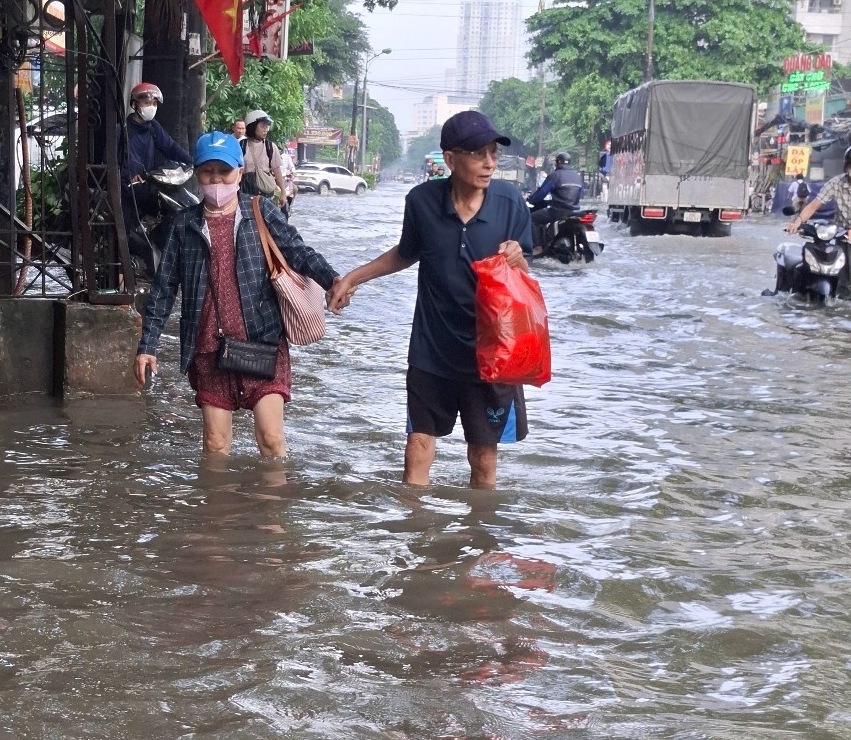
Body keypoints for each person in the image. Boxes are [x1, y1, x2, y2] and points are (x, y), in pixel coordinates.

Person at [328, 110, 535, 490]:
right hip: (431, 351)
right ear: (451, 159)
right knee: (417, 448)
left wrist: (519, 260)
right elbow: (407, 253)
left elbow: (525, 271)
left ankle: (481, 544)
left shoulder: (510, 203)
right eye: (478, 154)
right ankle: (416, 538)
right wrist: (354, 278)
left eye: (493, 153)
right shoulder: (422, 202)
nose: (489, 163)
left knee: (483, 459)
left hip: (489, 357)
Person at [134, 131, 340, 458]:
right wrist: (148, 346)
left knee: (271, 441)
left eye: (223, 171)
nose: (215, 179)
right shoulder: (183, 224)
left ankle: (271, 509)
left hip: (262, 342)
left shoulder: (261, 212)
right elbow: (163, 289)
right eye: (206, 171)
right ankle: (219, 509)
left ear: (239, 173)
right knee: (216, 446)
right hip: (208, 350)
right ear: (196, 174)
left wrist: (333, 280)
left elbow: (299, 253)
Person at [120, 82, 191, 274]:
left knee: (174, 213)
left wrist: (193, 161)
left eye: (154, 102)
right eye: (146, 101)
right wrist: (127, 177)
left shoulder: (153, 128)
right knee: (123, 232)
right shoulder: (124, 129)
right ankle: (121, 271)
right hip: (126, 189)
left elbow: (171, 147)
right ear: (135, 104)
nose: (151, 105)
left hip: (147, 185)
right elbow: (113, 161)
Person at [525, 151, 583, 253]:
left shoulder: (555, 175)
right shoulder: (577, 176)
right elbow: (580, 194)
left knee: (532, 219)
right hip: (575, 211)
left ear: (558, 162)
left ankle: (537, 248)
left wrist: (530, 199)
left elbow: (542, 193)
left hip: (558, 211)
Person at [788, 148, 851, 233]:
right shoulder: (835, 183)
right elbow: (814, 205)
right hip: (841, 234)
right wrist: (798, 222)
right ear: (846, 168)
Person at [240, 109, 288, 213]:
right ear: (252, 127)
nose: (265, 129)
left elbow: (277, 171)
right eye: (262, 126)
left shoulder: (270, 147)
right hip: (245, 194)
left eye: (267, 126)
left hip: (266, 196)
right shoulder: (241, 146)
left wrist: (283, 193)